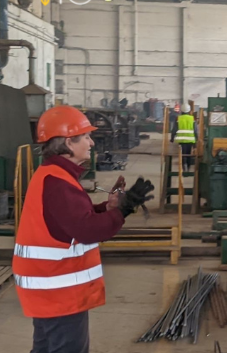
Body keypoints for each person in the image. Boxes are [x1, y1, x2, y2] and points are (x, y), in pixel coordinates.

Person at [12, 105, 155, 353]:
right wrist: (123, 210)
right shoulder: (58, 182)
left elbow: (70, 220)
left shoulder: (52, 175)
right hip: (59, 291)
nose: (91, 143)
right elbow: (87, 230)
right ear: (69, 142)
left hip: (48, 287)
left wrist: (108, 208)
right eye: (86, 137)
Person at [170, 103, 197, 172]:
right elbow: (195, 130)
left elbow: (174, 129)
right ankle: (188, 167)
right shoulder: (192, 119)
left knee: (182, 154)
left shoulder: (178, 118)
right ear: (189, 110)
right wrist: (196, 141)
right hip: (190, 140)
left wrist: (172, 138)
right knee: (188, 153)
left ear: (181, 110)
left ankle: (184, 166)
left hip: (181, 140)